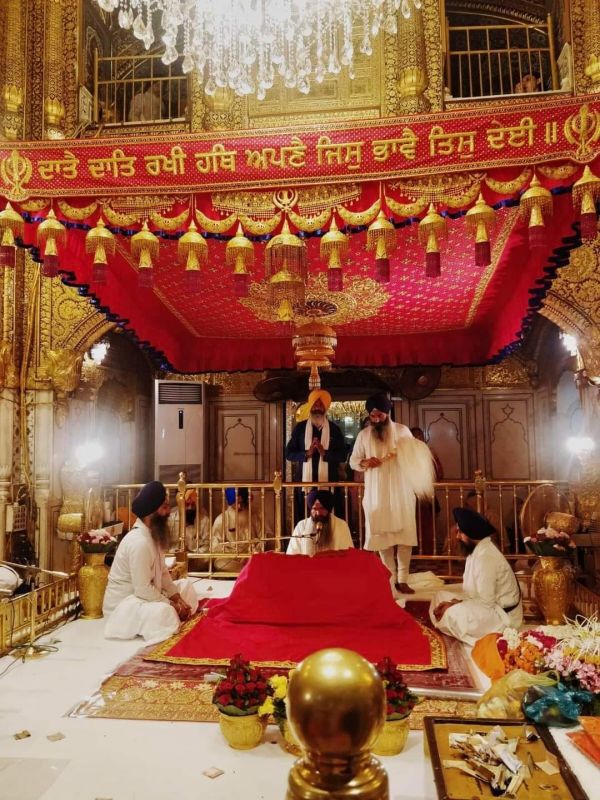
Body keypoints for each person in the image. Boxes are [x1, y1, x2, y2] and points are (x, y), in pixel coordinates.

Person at [349, 393, 435, 596]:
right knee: (383, 538)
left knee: (404, 537)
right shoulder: (364, 435)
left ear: (387, 413)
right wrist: (364, 462)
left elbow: (415, 457)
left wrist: (405, 452)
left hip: (401, 491)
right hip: (377, 493)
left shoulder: (403, 431)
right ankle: (390, 579)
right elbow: (353, 460)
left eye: (379, 415)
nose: (376, 419)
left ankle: (403, 580)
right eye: (372, 416)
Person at [103, 481, 199, 644]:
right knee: (165, 612)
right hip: (124, 606)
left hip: (144, 598)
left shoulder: (153, 536)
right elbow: (142, 589)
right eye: (164, 508)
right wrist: (172, 605)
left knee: (186, 588)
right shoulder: (139, 542)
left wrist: (177, 598)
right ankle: (171, 616)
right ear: (151, 513)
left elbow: (163, 573)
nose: (168, 512)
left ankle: (173, 614)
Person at [429, 506, 523, 646]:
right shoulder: (476, 550)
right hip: (483, 605)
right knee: (439, 596)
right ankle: (448, 621)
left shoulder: (486, 557)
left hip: (501, 615)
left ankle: (450, 622)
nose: (457, 536)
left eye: (460, 532)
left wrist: (453, 606)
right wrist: (455, 602)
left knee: (452, 614)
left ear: (471, 534)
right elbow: (472, 593)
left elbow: (486, 603)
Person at [285, 389, 347, 520]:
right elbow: (289, 453)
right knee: (305, 519)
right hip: (305, 486)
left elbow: (342, 455)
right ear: (310, 406)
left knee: (329, 519)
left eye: (320, 404)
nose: (317, 407)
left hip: (329, 484)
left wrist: (325, 453)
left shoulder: (334, 430)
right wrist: (306, 454)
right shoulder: (300, 428)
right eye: (315, 404)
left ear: (325, 407)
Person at [287, 488, 354, 556]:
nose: (318, 513)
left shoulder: (341, 525)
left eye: (322, 508)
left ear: (328, 509)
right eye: (314, 509)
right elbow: (292, 554)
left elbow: (348, 555)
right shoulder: (301, 526)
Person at [211, 487, 263, 571]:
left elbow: (263, 539)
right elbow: (215, 546)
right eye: (236, 503)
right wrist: (234, 554)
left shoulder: (254, 517)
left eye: (241, 503)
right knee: (220, 563)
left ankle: (246, 570)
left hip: (251, 556)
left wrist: (252, 553)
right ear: (230, 503)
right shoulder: (221, 519)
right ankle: (245, 571)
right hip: (230, 558)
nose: (239, 506)